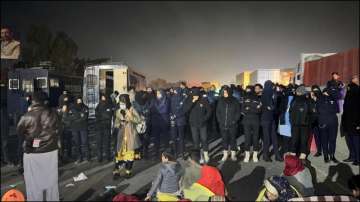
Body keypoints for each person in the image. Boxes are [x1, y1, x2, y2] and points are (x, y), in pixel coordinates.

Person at [16, 91, 61, 201]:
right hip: (51, 150)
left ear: (33, 101)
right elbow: (59, 129)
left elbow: (19, 131)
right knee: (51, 182)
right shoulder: (53, 113)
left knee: (33, 183)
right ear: (45, 101)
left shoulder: (28, 115)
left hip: (33, 152)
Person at [113, 94, 142, 178]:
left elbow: (138, 120)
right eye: (120, 103)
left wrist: (130, 117)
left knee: (130, 154)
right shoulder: (118, 111)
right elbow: (116, 123)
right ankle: (116, 171)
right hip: (121, 135)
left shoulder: (132, 110)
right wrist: (119, 123)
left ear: (127, 102)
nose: (122, 105)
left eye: (123, 103)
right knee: (119, 153)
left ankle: (128, 171)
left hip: (130, 134)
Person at [183, 88, 212, 163]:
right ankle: (199, 156)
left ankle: (206, 154)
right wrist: (192, 101)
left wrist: (204, 119)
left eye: (197, 95)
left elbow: (209, 111)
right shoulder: (189, 100)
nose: (196, 96)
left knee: (204, 139)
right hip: (193, 124)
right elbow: (185, 110)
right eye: (194, 95)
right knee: (196, 141)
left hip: (202, 124)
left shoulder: (203, 100)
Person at [217, 85, 241, 162]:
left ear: (230, 92)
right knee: (224, 139)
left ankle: (233, 154)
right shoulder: (220, 100)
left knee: (233, 139)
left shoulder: (235, 100)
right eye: (224, 92)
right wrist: (220, 121)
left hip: (232, 124)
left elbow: (238, 112)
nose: (225, 94)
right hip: (223, 124)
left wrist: (234, 121)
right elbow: (218, 112)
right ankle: (225, 154)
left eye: (226, 92)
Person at [317, 86, 340, 163]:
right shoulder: (320, 99)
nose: (330, 93)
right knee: (325, 140)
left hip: (333, 122)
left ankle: (332, 155)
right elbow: (319, 110)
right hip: (323, 122)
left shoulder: (333, 99)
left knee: (332, 140)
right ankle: (326, 156)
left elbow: (337, 110)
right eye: (328, 91)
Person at [289, 85, 312, 160]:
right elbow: (290, 111)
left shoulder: (307, 101)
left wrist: (308, 121)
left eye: (298, 91)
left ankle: (303, 155)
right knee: (294, 140)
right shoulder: (294, 100)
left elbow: (312, 113)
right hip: (295, 124)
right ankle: (293, 154)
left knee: (303, 140)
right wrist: (291, 120)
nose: (296, 93)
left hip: (304, 125)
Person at [261, 80, 282, 162]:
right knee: (267, 138)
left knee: (274, 137)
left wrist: (272, 106)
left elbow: (273, 106)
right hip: (266, 119)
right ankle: (265, 155)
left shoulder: (272, 93)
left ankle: (277, 155)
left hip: (271, 118)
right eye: (271, 86)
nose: (273, 87)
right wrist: (272, 107)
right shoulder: (265, 94)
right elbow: (270, 106)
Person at [341, 75, 360, 165]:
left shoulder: (356, 91)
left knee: (356, 141)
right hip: (348, 120)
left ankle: (357, 158)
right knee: (349, 140)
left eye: (355, 79)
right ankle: (352, 156)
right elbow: (346, 107)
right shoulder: (350, 91)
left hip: (355, 122)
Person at [241, 85, 262, 163]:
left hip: (256, 120)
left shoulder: (258, 98)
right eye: (247, 90)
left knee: (255, 138)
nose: (248, 91)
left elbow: (259, 110)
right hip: (246, 121)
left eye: (249, 90)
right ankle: (247, 154)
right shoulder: (244, 98)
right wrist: (253, 108)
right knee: (247, 137)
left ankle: (255, 155)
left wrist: (249, 108)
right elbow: (242, 110)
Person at [150, 89, 170, 159]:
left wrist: (157, 110)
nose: (157, 95)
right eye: (157, 93)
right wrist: (157, 110)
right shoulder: (153, 100)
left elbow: (165, 110)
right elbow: (151, 110)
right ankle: (156, 151)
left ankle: (166, 152)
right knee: (156, 138)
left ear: (162, 93)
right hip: (155, 122)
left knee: (165, 137)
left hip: (164, 121)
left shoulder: (166, 100)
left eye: (159, 93)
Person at [70, 97, 90, 164]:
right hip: (75, 128)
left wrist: (77, 118)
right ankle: (79, 158)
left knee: (85, 143)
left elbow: (85, 117)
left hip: (83, 128)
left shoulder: (85, 107)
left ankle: (87, 157)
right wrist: (79, 116)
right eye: (78, 101)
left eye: (80, 101)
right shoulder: (72, 108)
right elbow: (71, 117)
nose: (79, 102)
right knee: (77, 144)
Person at [95, 94, 114, 162]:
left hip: (107, 127)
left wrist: (102, 115)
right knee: (99, 143)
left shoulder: (110, 105)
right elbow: (96, 115)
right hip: (99, 127)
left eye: (104, 97)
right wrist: (104, 115)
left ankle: (107, 156)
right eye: (102, 97)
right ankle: (99, 157)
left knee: (107, 143)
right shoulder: (98, 105)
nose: (103, 99)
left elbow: (109, 115)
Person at [170, 87, 187, 158]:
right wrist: (172, 115)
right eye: (175, 91)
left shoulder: (181, 99)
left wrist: (174, 115)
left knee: (178, 137)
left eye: (176, 91)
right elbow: (171, 108)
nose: (175, 93)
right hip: (177, 120)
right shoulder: (174, 98)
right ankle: (178, 152)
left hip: (178, 120)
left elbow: (183, 110)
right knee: (177, 137)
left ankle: (179, 152)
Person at [310, 85, 322, 157]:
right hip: (314, 121)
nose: (315, 92)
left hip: (321, 120)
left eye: (316, 91)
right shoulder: (310, 99)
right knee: (317, 136)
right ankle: (319, 150)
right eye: (313, 91)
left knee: (322, 136)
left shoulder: (321, 98)